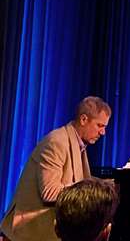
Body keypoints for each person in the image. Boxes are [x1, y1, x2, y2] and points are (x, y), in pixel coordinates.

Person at [0, 96, 112, 241]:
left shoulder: (78, 145)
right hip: (29, 229)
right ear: (83, 119)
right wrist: (91, 192)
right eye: (100, 126)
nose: (103, 132)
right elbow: (50, 192)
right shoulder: (56, 142)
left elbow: (81, 182)